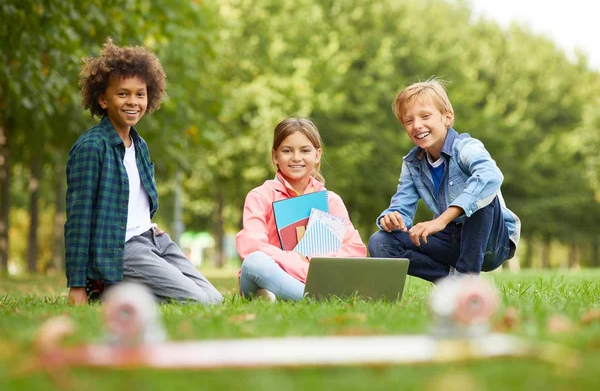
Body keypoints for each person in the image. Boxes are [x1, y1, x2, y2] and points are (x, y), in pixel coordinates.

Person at [65, 39, 222, 305]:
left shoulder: (139, 145)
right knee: (199, 302)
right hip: (122, 249)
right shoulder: (92, 147)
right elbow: (78, 220)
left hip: (154, 239)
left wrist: (147, 225)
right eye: (122, 94)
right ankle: (109, 288)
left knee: (214, 299)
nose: (133, 102)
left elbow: (137, 200)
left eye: (140, 94)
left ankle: (123, 292)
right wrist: (77, 284)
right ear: (103, 99)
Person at [368, 79, 520, 282]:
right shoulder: (413, 163)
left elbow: (490, 176)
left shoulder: (466, 147)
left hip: (492, 243)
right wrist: (391, 218)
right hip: (451, 240)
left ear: (447, 117)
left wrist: (440, 221)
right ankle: (450, 282)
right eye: (409, 120)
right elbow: (402, 208)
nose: (417, 125)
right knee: (380, 242)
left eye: (425, 116)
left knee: (481, 195)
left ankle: (467, 279)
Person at [236, 118, 367, 301]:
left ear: (317, 155)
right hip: (269, 274)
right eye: (287, 150)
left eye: (305, 150)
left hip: (316, 277)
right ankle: (317, 299)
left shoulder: (330, 200)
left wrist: (315, 263)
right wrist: (298, 263)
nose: (296, 158)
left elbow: (355, 249)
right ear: (275, 156)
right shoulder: (260, 196)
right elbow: (251, 246)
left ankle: (282, 296)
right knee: (254, 262)